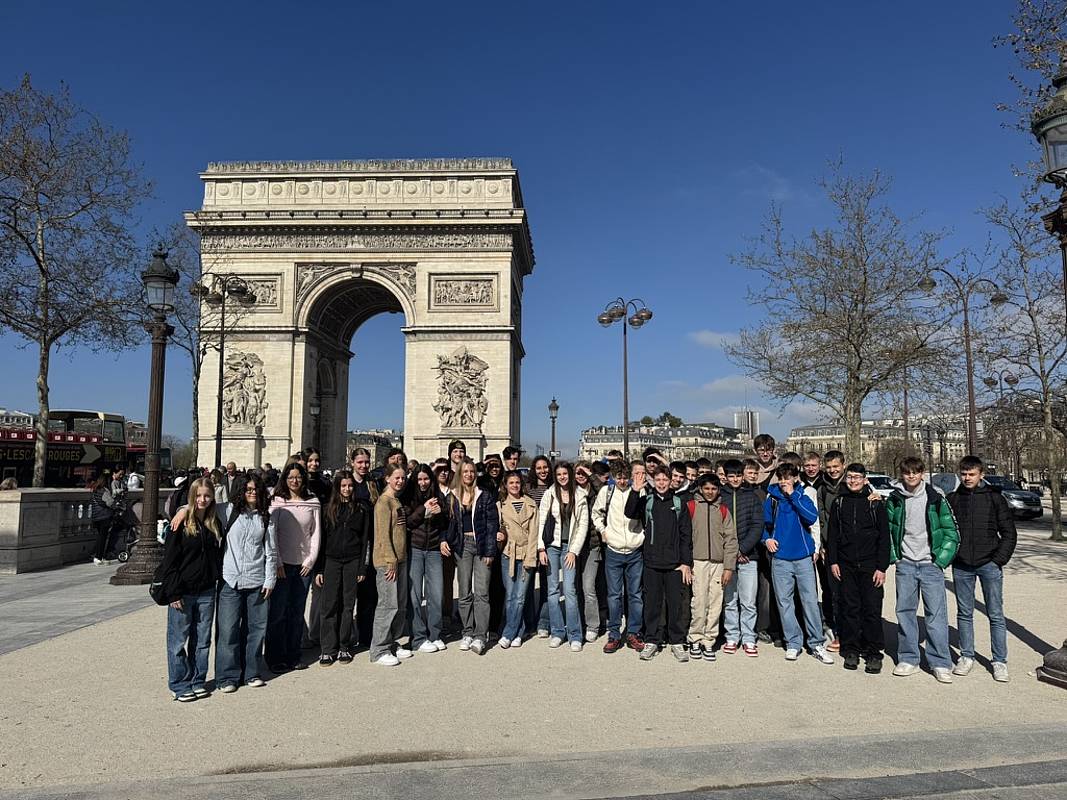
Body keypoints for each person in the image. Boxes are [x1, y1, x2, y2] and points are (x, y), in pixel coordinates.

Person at [886, 456, 959, 683]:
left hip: (930, 564)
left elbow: (951, 532)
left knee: (935, 614)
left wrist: (940, 560)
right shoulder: (895, 499)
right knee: (905, 612)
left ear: (921, 473)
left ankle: (940, 661)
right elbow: (888, 530)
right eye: (907, 472)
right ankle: (909, 658)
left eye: (915, 472)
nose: (911, 476)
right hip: (906, 564)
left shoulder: (936, 498)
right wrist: (895, 557)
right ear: (902, 474)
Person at [947, 455, 1017, 682]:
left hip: (989, 563)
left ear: (981, 474)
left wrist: (998, 560)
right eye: (964, 474)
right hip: (962, 564)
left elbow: (1009, 533)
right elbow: (946, 531)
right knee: (964, 613)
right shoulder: (953, 499)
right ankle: (967, 656)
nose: (967, 478)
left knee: (995, 614)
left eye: (971, 474)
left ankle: (999, 660)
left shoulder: (995, 499)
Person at [762, 463, 834, 665]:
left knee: (810, 601)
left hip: (803, 557)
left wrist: (793, 495)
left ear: (795, 478)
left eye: (788, 477)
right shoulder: (772, 498)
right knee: (785, 603)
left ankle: (816, 643)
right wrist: (766, 539)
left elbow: (811, 518)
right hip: (780, 559)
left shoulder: (803, 495)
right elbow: (764, 525)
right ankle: (793, 642)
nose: (784, 481)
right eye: (781, 478)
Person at [160, 478, 223, 702]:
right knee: (178, 641)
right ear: (191, 497)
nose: (202, 500)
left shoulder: (215, 522)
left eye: (207, 495)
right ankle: (179, 683)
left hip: (206, 590)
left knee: (202, 641)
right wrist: (173, 592)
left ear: (213, 496)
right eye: (198, 496)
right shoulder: (180, 523)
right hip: (183, 591)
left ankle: (197, 680)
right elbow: (169, 561)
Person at [214, 472, 277, 692]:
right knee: (228, 631)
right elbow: (199, 507)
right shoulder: (227, 511)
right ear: (241, 490)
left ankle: (251, 672)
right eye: (248, 489)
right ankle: (227, 676)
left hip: (257, 580)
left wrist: (270, 580)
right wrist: (183, 510)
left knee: (256, 631)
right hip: (230, 580)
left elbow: (271, 551)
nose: (252, 493)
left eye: (256, 490)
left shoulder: (266, 515)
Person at [625, 465, 692, 662]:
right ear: (653, 481)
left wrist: (685, 562)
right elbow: (630, 513)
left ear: (671, 481)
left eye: (665, 479)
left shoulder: (679, 503)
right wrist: (635, 490)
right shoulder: (647, 501)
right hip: (652, 562)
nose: (662, 483)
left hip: (674, 564)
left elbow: (685, 535)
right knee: (652, 605)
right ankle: (652, 639)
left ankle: (677, 641)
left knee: (676, 605)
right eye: (658, 480)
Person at [827, 463, 890, 673]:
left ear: (865, 479)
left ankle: (873, 651)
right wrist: (833, 561)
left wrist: (882, 567)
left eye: (857, 477)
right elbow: (833, 535)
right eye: (850, 477)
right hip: (845, 564)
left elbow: (884, 538)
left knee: (872, 609)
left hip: (871, 564)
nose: (853, 481)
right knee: (850, 608)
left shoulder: (875, 504)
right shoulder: (840, 502)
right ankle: (851, 648)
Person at [265, 462, 321, 673]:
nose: (295, 481)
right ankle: (275, 657)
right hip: (282, 565)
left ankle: (293, 654)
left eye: (298, 477)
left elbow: (316, 534)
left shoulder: (313, 501)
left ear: (304, 478)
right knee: (278, 613)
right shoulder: (277, 501)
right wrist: (277, 562)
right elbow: (272, 535)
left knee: (297, 612)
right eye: (291, 477)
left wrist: (310, 560)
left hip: (303, 566)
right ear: (284, 479)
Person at [315, 470, 371, 666]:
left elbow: (365, 540)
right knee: (329, 605)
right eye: (343, 486)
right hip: (331, 560)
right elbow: (321, 541)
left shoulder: (362, 509)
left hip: (353, 561)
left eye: (350, 486)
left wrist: (362, 568)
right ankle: (328, 649)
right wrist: (319, 569)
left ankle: (344, 646)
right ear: (337, 487)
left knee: (348, 605)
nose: (347, 489)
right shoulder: (327, 509)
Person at [446, 458, 500, 655]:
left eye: (472, 471)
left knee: (482, 592)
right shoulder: (451, 496)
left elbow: (492, 524)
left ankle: (480, 635)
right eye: (465, 471)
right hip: (463, 547)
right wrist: (446, 540)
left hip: (481, 545)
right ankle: (467, 632)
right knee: (464, 591)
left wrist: (490, 550)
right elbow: (448, 523)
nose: (469, 474)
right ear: (460, 474)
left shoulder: (484, 496)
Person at [592, 460, 645, 653]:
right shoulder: (606, 492)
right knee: (614, 595)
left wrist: (642, 536)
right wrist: (603, 530)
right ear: (613, 478)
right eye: (618, 478)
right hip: (613, 549)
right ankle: (614, 634)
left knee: (635, 595)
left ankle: (633, 632)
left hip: (634, 549)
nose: (622, 481)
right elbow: (596, 513)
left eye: (625, 477)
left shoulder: (639, 491)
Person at [537, 461, 590, 651]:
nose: (562, 477)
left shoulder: (581, 496)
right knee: (552, 591)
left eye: (565, 474)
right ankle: (557, 631)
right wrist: (541, 548)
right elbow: (541, 521)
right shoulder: (549, 494)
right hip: (552, 545)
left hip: (570, 547)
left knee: (569, 590)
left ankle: (575, 634)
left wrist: (574, 551)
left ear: (570, 474)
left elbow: (583, 527)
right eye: (558, 474)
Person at [687, 474, 737, 661]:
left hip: (718, 562)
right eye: (706, 488)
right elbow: (685, 536)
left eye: (714, 489)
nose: (710, 492)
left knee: (715, 602)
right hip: (697, 561)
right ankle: (695, 638)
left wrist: (728, 567)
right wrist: (686, 562)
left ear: (718, 490)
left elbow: (731, 540)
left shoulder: (723, 510)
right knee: (699, 601)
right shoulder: (691, 507)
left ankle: (709, 640)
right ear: (700, 488)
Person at [404, 464, 449, 654]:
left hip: (433, 550)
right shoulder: (408, 497)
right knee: (414, 595)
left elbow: (446, 523)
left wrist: (439, 514)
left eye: (426, 479)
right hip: (415, 548)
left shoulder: (439, 497)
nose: (423, 483)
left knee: (436, 594)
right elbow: (408, 522)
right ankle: (419, 636)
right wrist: (424, 509)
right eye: (419, 479)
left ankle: (434, 634)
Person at [720, 459, 763, 656]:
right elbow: (717, 527)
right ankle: (732, 635)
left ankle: (748, 637)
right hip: (727, 558)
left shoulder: (752, 496)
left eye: (738, 475)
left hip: (748, 556)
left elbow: (757, 525)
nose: (735, 479)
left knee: (748, 600)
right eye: (732, 476)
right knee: (730, 600)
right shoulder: (720, 497)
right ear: (726, 477)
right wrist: (731, 552)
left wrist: (742, 550)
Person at [370, 464, 411, 666]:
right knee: (387, 605)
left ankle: (391, 642)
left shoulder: (395, 500)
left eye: (403, 478)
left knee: (399, 604)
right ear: (387, 478)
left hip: (400, 558)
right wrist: (390, 560)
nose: (400, 481)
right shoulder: (383, 502)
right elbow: (382, 535)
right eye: (396, 477)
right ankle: (378, 650)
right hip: (389, 561)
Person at [498, 469, 539, 648]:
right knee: (510, 596)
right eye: (511, 483)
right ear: (505, 486)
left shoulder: (530, 504)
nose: (515, 485)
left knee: (520, 596)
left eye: (517, 482)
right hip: (509, 554)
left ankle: (508, 633)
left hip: (526, 554)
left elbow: (534, 534)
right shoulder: (500, 505)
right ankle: (519, 630)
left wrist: (531, 558)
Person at [816, 449, 847, 651]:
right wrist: (823, 544)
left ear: (843, 465)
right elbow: (821, 519)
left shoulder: (853, 483)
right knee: (831, 590)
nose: (833, 470)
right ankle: (837, 630)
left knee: (850, 592)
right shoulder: (823, 489)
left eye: (836, 466)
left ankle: (851, 630)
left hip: (851, 547)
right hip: (830, 546)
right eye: (829, 468)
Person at [350, 448, 380, 650]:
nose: (363, 465)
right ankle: (343, 637)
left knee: (369, 594)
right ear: (352, 462)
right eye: (360, 462)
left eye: (366, 462)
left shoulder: (373, 485)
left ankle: (366, 636)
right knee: (346, 595)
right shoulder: (345, 483)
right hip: (350, 544)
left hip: (369, 544)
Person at [574, 460, 604, 642]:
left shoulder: (597, 492)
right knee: (574, 587)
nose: (581, 476)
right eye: (577, 473)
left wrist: (589, 473)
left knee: (588, 586)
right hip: (573, 546)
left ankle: (593, 624)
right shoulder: (570, 491)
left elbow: (603, 490)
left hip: (592, 545)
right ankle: (577, 621)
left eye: (584, 473)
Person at [525, 454, 554, 638]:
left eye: (545, 467)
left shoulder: (555, 487)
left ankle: (543, 621)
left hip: (548, 540)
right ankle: (528, 622)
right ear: (533, 471)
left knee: (546, 584)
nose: (542, 471)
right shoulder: (527, 488)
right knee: (527, 585)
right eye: (539, 468)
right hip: (530, 540)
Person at [88, 474, 119, 564]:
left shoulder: (95, 490)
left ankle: (97, 555)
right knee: (103, 537)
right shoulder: (104, 491)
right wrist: (116, 504)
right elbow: (110, 503)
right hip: (104, 516)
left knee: (100, 537)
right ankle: (98, 557)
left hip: (96, 517)